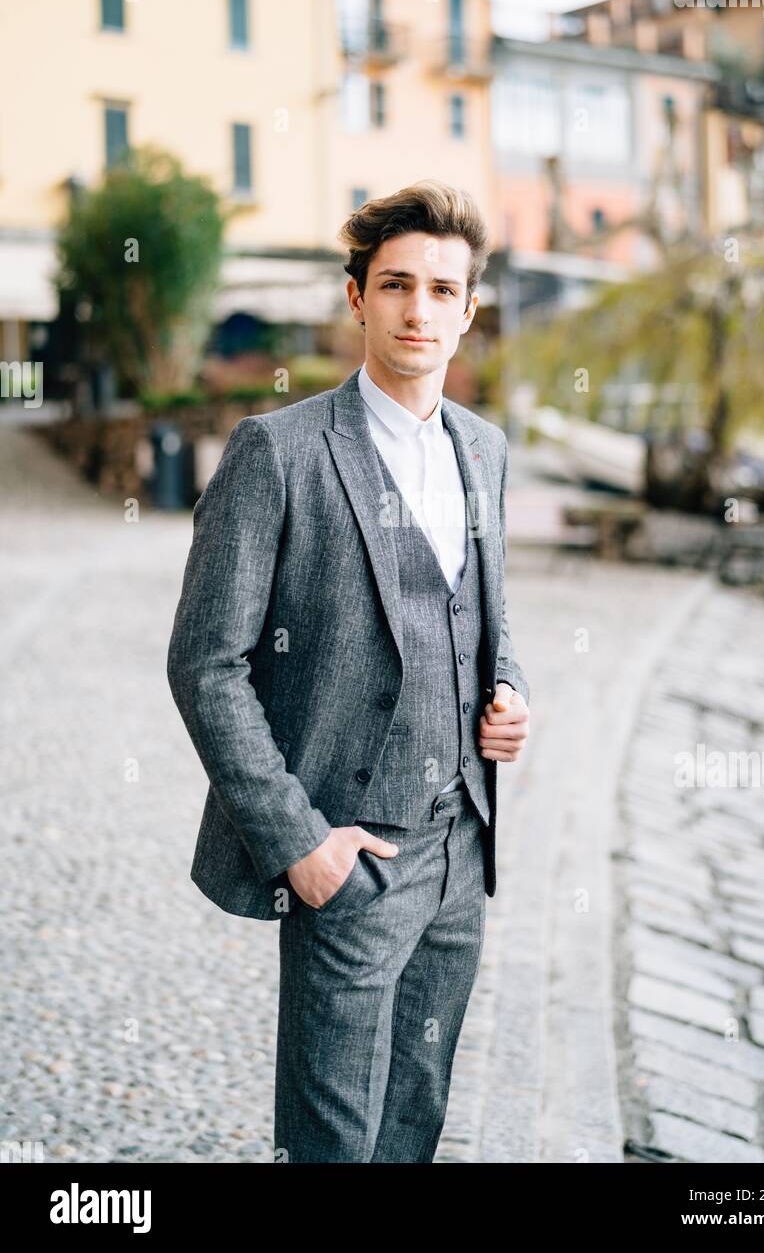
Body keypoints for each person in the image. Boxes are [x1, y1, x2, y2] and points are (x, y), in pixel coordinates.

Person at [166, 179, 530, 1163]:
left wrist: (510, 699)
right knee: (331, 1141)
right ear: (356, 297)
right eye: (397, 284)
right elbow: (206, 662)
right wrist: (300, 842)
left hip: (461, 846)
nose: (420, 310)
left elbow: (483, 611)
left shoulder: (484, 450)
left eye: (442, 290)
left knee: (414, 1119)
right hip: (352, 851)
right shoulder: (275, 453)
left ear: (467, 309)